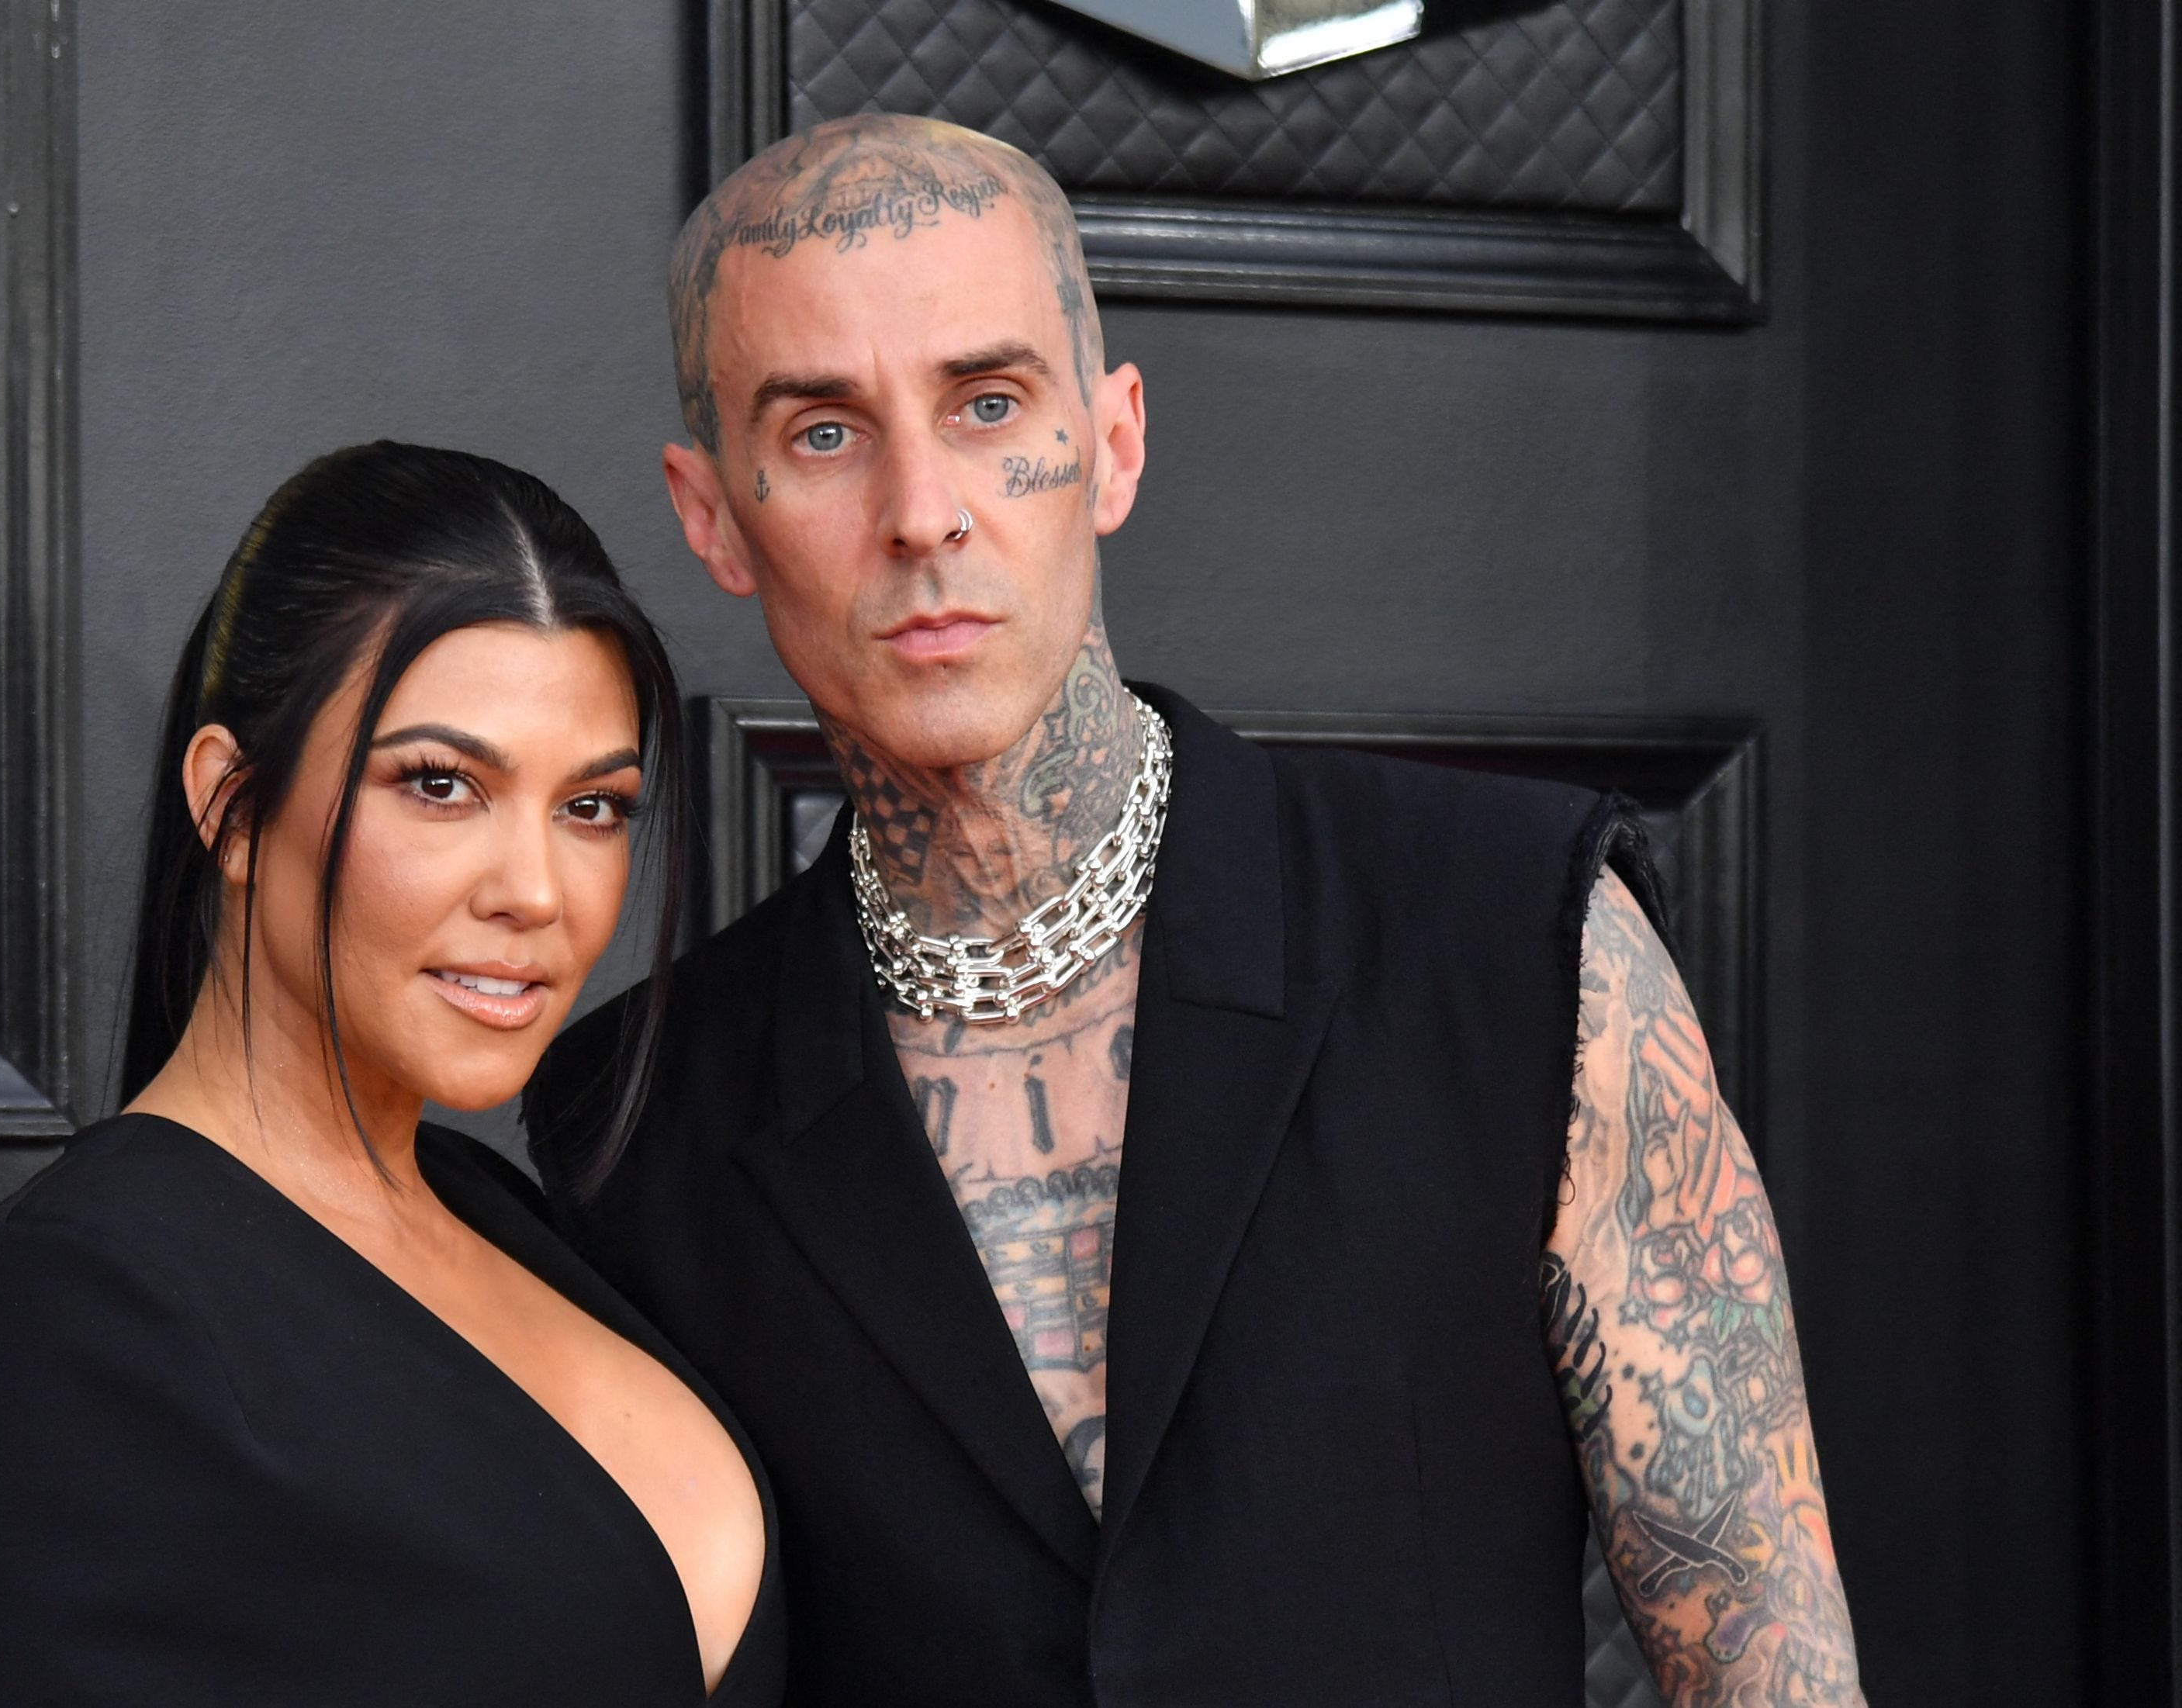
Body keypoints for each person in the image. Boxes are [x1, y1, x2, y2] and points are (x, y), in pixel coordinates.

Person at [527, 116, 1866, 1706]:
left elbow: (1770, 1668)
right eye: (823, 434)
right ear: (709, 513)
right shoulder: (636, 1126)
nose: (923, 511)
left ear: (1114, 443)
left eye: (990, 404)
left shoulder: (1517, 939)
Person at [0, 444, 781, 1706]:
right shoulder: (58, 1315)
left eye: (593, 807)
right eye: (439, 784)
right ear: (235, 806)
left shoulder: (511, 1218)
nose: (536, 892)